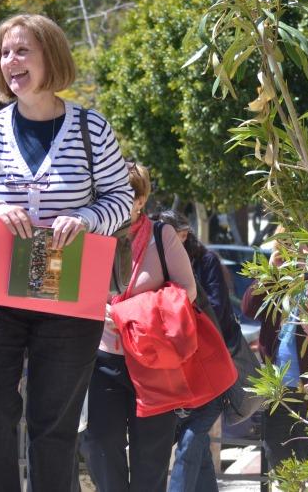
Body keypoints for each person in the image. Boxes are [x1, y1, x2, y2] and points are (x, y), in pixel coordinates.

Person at [0, 13, 133, 491]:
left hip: (68, 290)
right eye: (4, 53)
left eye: (22, 50)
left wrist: (85, 219)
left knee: (54, 420)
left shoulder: (91, 128)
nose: (11, 61)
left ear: (52, 56)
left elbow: (121, 199)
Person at [79, 163, 197, 492]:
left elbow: (187, 291)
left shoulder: (162, 235)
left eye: (123, 195)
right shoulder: (92, 233)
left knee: (151, 457)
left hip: (153, 359)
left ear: (141, 200)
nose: (111, 202)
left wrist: (129, 312)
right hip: (102, 358)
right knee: (99, 445)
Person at [160, 210, 239, 492]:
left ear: (182, 235)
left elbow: (217, 310)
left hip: (213, 366)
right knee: (197, 443)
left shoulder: (205, 262)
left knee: (190, 440)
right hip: (181, 371)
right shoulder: (159, 263)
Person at [241, 239, 308, 469]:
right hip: (279, 386)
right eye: (287, 245)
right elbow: (249, 308)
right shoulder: (278, 280)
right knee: (277, 456)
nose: (294, 251)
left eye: (298, 244)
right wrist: (270, 271)